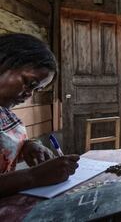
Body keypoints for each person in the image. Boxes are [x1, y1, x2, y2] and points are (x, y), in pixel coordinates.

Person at [0, 33, 79, 197]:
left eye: (36, 90)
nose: (29, 94)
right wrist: (33, 177)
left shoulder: (5, 112)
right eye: (30, 84)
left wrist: (28, 146)